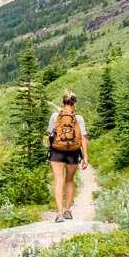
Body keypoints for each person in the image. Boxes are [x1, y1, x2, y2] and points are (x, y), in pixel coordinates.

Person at [47, 90, 88, 222]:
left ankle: (59, 213)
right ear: (74, 103)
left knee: (58, 181)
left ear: (62, 102)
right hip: (73, 152)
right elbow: (83, 138)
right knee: (69, 180)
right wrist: (85, 158)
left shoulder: (55, 116)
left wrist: (50, 150)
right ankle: (68, 211)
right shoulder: (79, 119)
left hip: (57, 151)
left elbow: (50, 135)